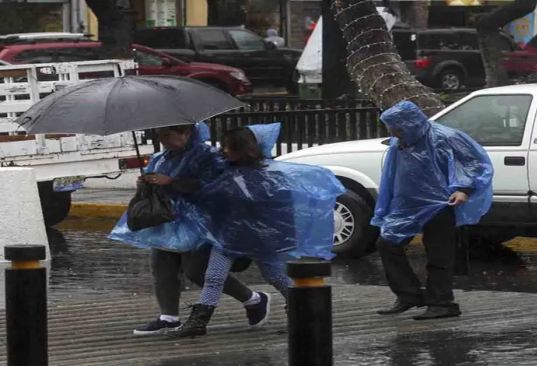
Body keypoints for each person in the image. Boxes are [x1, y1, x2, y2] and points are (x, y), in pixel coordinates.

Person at [169, 123, 345, 338]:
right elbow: (210, 194)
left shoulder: (265, 174)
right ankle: (198, 321)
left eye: (228, 147)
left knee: (275, 275)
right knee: (214, 276)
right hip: (231, 234)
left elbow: (273, 205)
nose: (223, 150)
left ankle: (303, 312)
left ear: (243, 149)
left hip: (257, 237)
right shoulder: (227, 171)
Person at [109, 124, 269, 335]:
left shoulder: (208, 156)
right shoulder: (162, 158)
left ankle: (253, 299)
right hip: (168, 220)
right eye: (160, 135)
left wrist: (173, 182)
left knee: (197, 270)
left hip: (199, 221)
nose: (163, 139)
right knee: (161, 264)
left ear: (186, 133)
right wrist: (148, 182)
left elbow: (213, 186)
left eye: (167, 135)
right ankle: (169, 317)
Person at [372, 101, 493, 320]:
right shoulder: (400, 142)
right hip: (407, 203)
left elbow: (474, 162)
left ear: (410, 124)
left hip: (440, 203)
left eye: (397, 129)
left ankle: (442, 302)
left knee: (439, 254)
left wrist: (463, 189)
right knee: (387, 243)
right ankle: (409, 295)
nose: (393, 133)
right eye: (392, 129)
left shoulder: (445, 137)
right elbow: (393, 173)